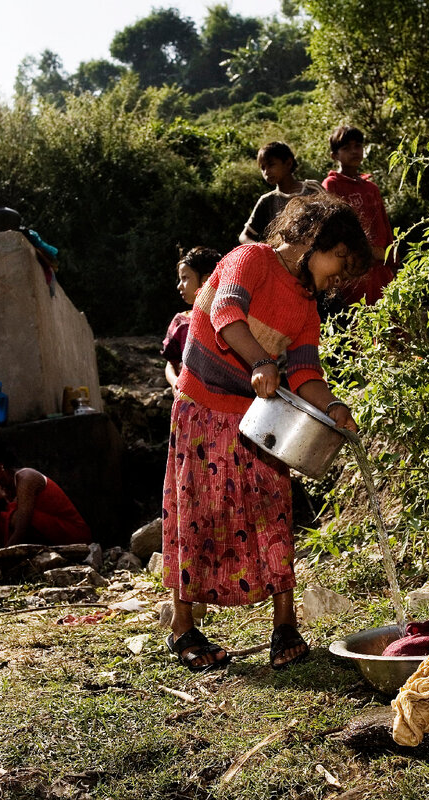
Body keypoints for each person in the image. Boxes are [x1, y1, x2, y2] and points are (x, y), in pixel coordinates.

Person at [162, 194, 371, 672]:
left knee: (273, 512)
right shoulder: (252, 258)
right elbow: (224, 315)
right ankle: (182, 627)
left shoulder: (305, 306)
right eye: (340, 260)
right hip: (202, 407)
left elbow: (304, 372)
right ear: (315, 240)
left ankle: (284, 625)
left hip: (259, 419)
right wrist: (259, 360)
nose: (340, 275)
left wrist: (334, 406)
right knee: (199, 511)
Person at [0, 440, 91, 555]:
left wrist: (4, 559)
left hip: (72, 535)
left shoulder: (26, 478)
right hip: (43, 535)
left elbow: (22, 526)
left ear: (0, 465)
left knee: (14, 517)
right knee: (0, 521)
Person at [321, 126, 395, 308]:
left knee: (391, 321)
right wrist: (363, 251)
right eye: (346, 148)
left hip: (381, 265)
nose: (354, 151)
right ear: (334, 155)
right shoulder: (331, 185)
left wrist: (392, 257)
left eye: (358, 146)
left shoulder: (371, 188)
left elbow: (385, 225)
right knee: (360, 322)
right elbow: (335, 228)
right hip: (353, 269)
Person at [239, 142, 324, 245]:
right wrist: (263, 249)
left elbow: (336, 217)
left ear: (288, 163)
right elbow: (244, 236)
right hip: (282, 259)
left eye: (271, 165)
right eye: (263, 168)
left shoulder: (312, 188)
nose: (266, 172)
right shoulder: (267, 201)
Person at [162, 246, 221, 392]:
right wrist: (175, 382)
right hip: (188, 401)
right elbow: (171, 364)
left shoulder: (228, 322)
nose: (179, 286)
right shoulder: (181, 322)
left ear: (206, 280)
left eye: (185, 278)